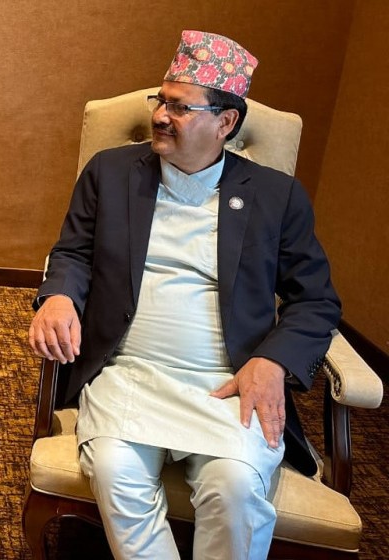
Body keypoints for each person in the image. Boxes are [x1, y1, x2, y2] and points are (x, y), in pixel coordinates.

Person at [28, 30, 340, 559]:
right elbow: (74, 253)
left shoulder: (276, 196)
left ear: (226, 123)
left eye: (180, 107)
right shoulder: (110, 172)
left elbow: (316, 301)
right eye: (161, 101)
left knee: (234, 489)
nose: (160, 116)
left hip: (228, 384)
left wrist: (272, 362)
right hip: (128, 372)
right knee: (115, 469)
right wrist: (57, 296)